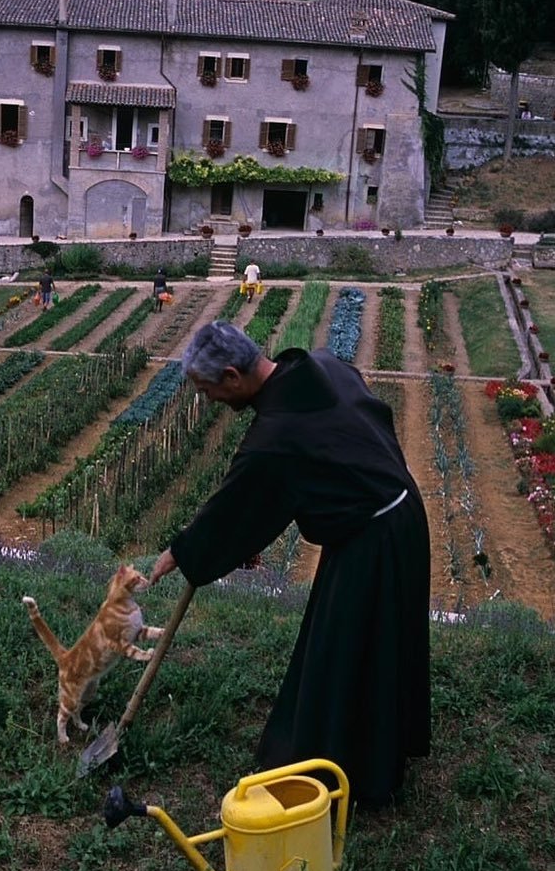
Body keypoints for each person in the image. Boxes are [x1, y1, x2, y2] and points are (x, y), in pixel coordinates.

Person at [150, 322, 431, 808]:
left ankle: (352, 772)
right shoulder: (323, 365)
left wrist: (181, 552)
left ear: (233, 376)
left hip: (373, 538)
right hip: (395, 512)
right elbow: (332, 452)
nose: (207, 399)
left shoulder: (275, 434)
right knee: (373, 643)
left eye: (207, 388)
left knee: (344, 651)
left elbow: (234, 506)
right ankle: (375, 747)